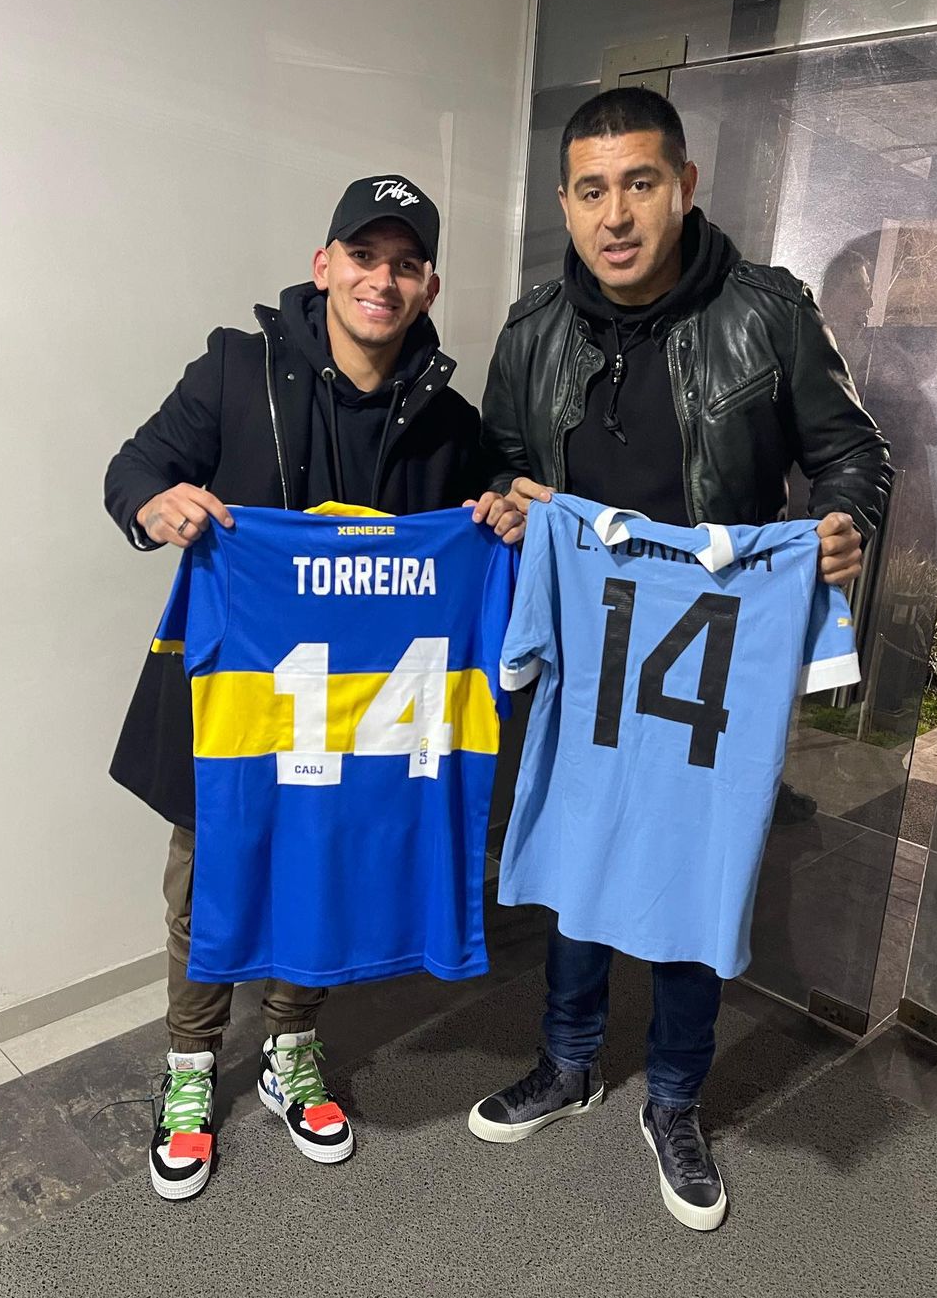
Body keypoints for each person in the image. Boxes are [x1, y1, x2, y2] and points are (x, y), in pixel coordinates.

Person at [467, 88, 891, 1230]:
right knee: (577, 851)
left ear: (684, 186)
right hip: (591, 650)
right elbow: (495, 462)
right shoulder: (531, 331)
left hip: (713, 651)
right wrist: (508, 504)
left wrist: (843, 523)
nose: (616, 216)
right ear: (565, 203)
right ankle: (567, 1062)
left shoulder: (768, 314)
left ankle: (674, 1098)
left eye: (640, 184)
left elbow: (854, 455)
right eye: (592, 191)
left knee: (696, 865)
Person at [105, 174, 522, 1201]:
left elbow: (494, 502)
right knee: (206, 881)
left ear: (429, 286)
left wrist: (504, 511)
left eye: (406, 264)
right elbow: (134, 467)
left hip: (364, 720)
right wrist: (155, 505)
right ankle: (191, 1065)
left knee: (325, 869)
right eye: (364, 256)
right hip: (239, 705)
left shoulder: (449, 419)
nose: (383, 279)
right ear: (324, 264)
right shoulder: (235, 370)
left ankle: (291, 1045)